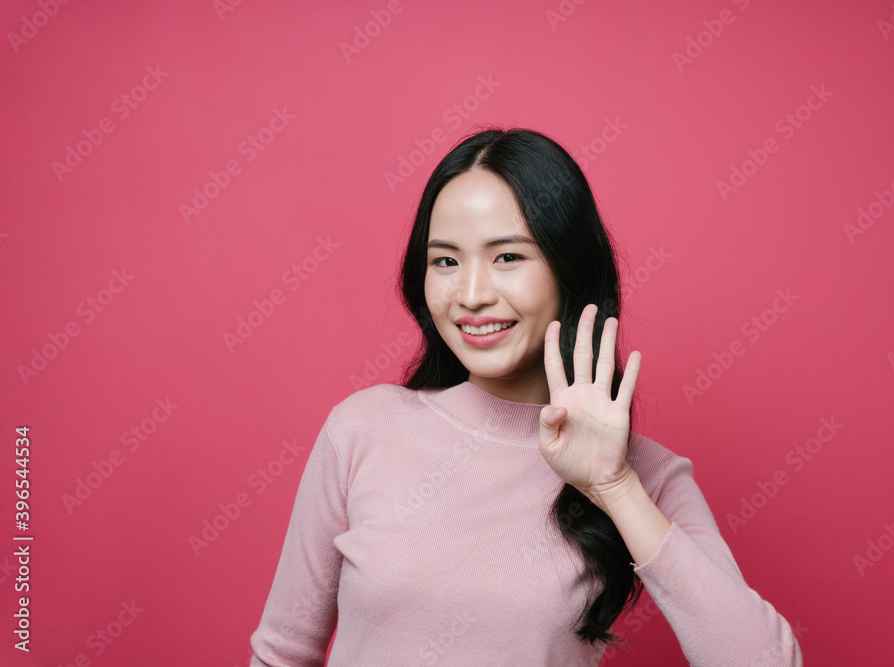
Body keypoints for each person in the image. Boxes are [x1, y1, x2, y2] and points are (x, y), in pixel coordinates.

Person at [248, 127, 803, 666]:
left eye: (508, 257)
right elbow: (282, 654)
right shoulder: (361, 431)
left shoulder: (640, 475)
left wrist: (613, 487)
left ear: (569, 270)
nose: (470, 294)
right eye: (445, 260)